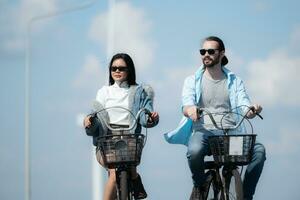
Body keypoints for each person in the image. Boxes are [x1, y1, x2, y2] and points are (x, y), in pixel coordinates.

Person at [164, 36, 266, 200]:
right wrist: (191, 110)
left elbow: (244, 105)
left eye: (211, 51)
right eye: (203, 51)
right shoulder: (192, 80)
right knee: (194, 151)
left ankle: (246, 195)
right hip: (205, 133)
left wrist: (252, 110)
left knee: (259, 151)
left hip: (230, 134)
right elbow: (187, 105)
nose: (206, 54)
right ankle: (199, 185)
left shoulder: (234, 81)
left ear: (222, 53)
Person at [83, 53, 159, 200]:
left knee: (130, 165)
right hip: (107, 139)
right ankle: (135, 180)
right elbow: (95, 114)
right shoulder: (104, 91)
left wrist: (151, 118)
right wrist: (89, 120)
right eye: (114, 68)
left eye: (121, 68)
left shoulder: (140, 91)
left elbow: (145, 115)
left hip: (130, 138)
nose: (117, 71)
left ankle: (134, 177)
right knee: (113, 173)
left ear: (129, 70)